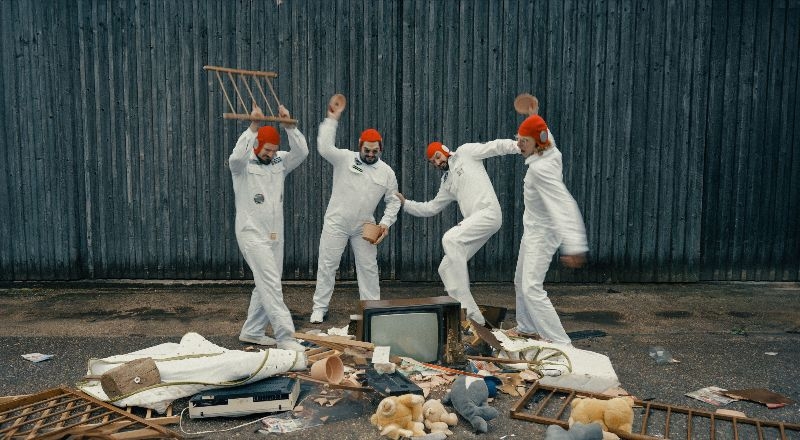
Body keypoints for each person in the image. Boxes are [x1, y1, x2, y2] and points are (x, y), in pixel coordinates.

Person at [396, 138, 518, 325]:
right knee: (445, 268)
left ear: (445, 150)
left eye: (438, 157)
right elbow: (431, 208)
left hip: (489, 212)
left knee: (450, 239)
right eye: (433, 162)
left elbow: (494, 147)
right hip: (475, 221)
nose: (437, 162)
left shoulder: (465, 152)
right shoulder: (447, 182)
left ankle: (467, 309)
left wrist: (518, 146)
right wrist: (406, 204)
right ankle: (469, 318)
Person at [310, 97, 401, 323]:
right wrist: (332, 119)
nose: (370, 154)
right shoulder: (345, 158)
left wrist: (385, 223)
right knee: (327, 265)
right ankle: (319, 308)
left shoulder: (387, 172)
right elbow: (324, 148)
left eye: (375, 151)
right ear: (360, 145)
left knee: (368, 268)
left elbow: (394, 200)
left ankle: (372, 309)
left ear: (380, 149)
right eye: (367, 150)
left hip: (364, 226)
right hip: (337, 222)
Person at [230, 103, 308, 351]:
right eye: (267, 150)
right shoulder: (242, 166)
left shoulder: (279, 162)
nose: (271, 155)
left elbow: (302, 152)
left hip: (275, 234)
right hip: (251, 233)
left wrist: (289, 126)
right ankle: (286, 337)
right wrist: (254, 126)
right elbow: (235, 157)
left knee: (265, 284)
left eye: (274, 150)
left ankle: (252, 331)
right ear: (256, 145)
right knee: (271, 284)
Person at [513, 114, 588, 345]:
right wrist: (533, 114)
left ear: (538, 143)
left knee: (531, 288)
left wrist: (575, 245)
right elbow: (543, 131)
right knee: (520, 281)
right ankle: (527, 329)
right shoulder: (550, 149)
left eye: (524, 141)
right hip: (533, 228)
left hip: (543, 233)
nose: (519, 145)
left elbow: (565, 205)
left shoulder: (541, 169)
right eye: (518, 139)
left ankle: (562, 344)